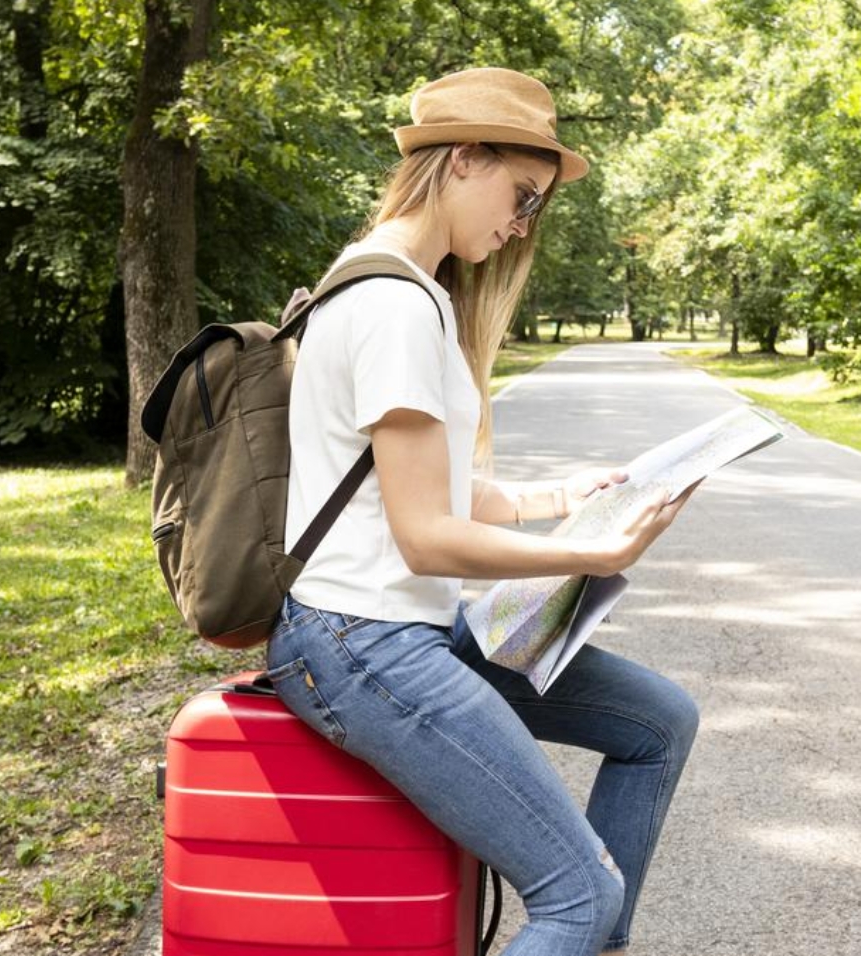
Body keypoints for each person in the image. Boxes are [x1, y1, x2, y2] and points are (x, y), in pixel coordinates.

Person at [264, 67, 701, 956]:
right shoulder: (392, 304)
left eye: (534, 206)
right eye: (522, 195)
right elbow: (427, 538)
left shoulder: (393, 286)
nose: (520, 224)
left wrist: (561, 502)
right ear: (464, 159)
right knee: (580, 892)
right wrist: (589, 556)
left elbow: (432, 492)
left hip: (394, 631)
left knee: (658, 723)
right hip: (362, 640)